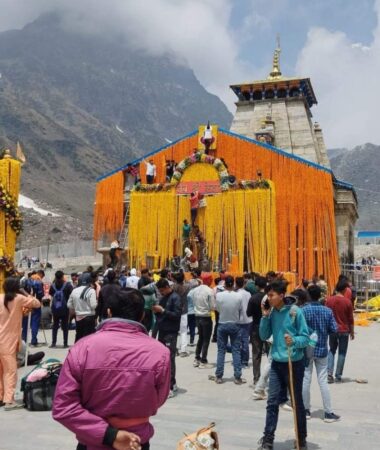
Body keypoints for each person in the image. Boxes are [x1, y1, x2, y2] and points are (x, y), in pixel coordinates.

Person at [53, 289, 171, 450]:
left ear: (108, 312)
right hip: (136, 441)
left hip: (93, 440)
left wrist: (108, 434)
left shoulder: (82, 348)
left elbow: (63, 406)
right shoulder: (160, 352)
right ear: (142, 315)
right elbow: (158, 399)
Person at [258, 281, 309, 450]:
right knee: (272, 402)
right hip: (277, 364)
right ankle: (268, 438)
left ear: (281, 295)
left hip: (294, 363)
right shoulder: (272, 313)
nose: (269, 298)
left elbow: (305, 338)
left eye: (271, 295)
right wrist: (265, 316)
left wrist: (294, 340)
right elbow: (264, 335)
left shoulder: (296, 312)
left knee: (297, 402)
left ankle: (301, 438)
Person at [0, 277, 40, 410]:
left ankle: (1, 397)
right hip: (8, 341)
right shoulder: (18, 298)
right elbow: (36, 303)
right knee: (10, 371)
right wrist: (25, 292)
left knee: (1, 371)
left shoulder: (1, 298)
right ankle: (9, 400)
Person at [302, 285, 340, 423]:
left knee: (305, 379)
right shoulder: (327, 311)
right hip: (322, 350)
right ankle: (328, 412)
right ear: (320, 296)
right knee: (323, 381)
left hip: (306, 350)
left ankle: (305, 410)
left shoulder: (303, 311)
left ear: (308, 295)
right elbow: (334, 329)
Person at [211, 276, 245, 385]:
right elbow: (240, 309)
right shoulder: (239, 296)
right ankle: (237, 376)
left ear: (225, 284)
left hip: (222, 323)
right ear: (233, 284)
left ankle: (219, 376)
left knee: (221, 350)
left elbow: (217, 308)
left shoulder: (219, 295)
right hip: (235, 324)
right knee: (236, 350)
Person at [153, 278, 182, 398]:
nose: (161, 293)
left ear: (166, 287)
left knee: (170, 358)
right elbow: (160, 316)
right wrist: (156, 311)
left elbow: (176, 315)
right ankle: (169, 383)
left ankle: (170, 386)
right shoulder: (163, 298)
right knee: (162, 359)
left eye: (161, 290)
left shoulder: (176, 298)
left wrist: (163, 310)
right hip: (162, 331)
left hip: (171, 332)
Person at [326, 279, 354, 383]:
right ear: (344, 289)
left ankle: (329, 374)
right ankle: (338, 375)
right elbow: (350, 319)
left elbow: (326, 315)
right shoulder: (347, 302)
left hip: (332, 330)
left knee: (332, 350)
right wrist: (352, 332)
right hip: (344, 330)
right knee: (342, 352)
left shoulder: (329, 300)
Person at [189, 273, 215, 368]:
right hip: (206, 316)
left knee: (200, 337)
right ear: (208, 280)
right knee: (206, 339)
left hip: (197, 316)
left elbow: (191, 300)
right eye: (211, 279)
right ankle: (203, 360)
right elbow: (212, 306)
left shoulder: (195, 290)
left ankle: (197, 358)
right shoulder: (210, 291)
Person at [247, 276, 267, 385]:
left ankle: (256, 378)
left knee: (256, 353)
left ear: (256, 286)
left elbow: (248, 313)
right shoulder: (270, 297)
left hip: (256, 327)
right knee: (270, 354)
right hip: (268, 328)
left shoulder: (253, 298)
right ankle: (272, 377)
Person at [68, 272, 98, 342]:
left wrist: (77, 308)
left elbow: (69, 305)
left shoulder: (74, 290)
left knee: (79, 336)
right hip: (89, 317)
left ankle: (77, 351)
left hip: (78, 317)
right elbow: (93, 306)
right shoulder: (91, 290)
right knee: (89, 339)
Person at [49, 270, 73, 348]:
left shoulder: (53, 285)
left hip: (55, 308)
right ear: (63, 276)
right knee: (65, 326)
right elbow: (71, 294)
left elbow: (51, 294)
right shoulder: (68, 285)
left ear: (55, 277)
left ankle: (53, 343)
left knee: (55, 325)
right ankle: (65, 343)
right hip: (65, 308)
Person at [172, 272, 191, 357]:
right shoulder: (187, 287)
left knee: (174, 331)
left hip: (174, 310)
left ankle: (174, 349)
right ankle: (183, 350)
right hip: (183, 310)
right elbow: (192, 283)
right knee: (183, 331)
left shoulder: (173, 287)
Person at [236, 277, 252, 368]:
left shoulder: (236, 294)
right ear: (244, 284)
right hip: (248, 319)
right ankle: (245, 361)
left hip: (239, 320)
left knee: (239, 341)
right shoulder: (248, 293)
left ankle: (241, 360)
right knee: (245, 340)